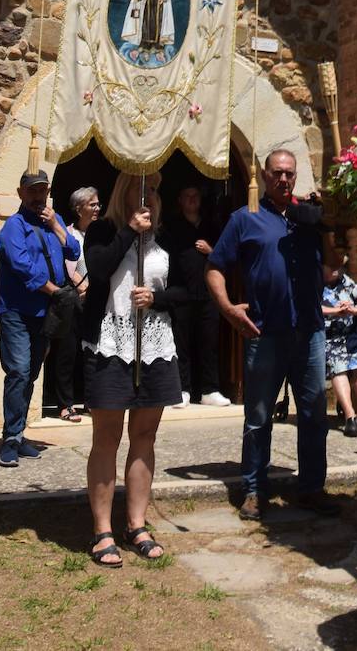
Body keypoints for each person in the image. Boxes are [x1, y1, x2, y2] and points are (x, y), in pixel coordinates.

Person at [206, 148, 339, 521]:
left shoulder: (307, 218)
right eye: (277, 173)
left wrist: (326, 224)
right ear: (265, 176)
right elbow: (215, 267)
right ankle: (254, 489)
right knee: (258, 416)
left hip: (309, 331)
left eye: (290, 174)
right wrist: (230, 310)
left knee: (313, 415)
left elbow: (333, 269)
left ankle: (312, 488)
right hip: (265, 333)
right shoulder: (244, 218)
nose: (284, 179)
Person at [81, 171, 186, 567]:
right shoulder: (103, 231)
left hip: (156, 346)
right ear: (124, 193)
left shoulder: (168, 237)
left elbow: (187, 290)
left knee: (145, 435)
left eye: (156, 191)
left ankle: (137, 523)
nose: (151, 198)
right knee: (106, 437)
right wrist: (128, 230)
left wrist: (157, 298)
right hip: (111, 344)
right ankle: (102, 529)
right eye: (143, 190)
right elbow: (100, 268)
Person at [0, 169, 80, 467]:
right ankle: (9, 438)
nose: (37, 196)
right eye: (31, 191)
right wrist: (56, 291)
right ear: (20, 193)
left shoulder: (49, 225)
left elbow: (74, 250)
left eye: (42, 191)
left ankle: (17, 435)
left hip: (45, 313)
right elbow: (24, 268)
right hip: (17, 311)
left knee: (30, 373)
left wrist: (57, 225)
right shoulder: (12, 228)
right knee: (18, 370)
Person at [164, 184, 230, 408]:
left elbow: (227, 255)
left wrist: (211, 251)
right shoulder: (170, 227)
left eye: (195, 196)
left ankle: (209, 390)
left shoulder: (212, 226)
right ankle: (182, 390)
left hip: (208, 294)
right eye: (187, 196)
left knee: (208, 343)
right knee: (181, 343)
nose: (192, 200)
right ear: (180, 200)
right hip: (181, 292)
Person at [48, 185, 100, 422]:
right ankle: (66, 404)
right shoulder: (68, 234)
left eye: (98, 204)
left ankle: (92, 401)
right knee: (67, 353)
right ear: (79, 209)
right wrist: (83, 287)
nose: (98, 208)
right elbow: (68, 265)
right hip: (74, 299)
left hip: (96, 301)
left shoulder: (101, 234)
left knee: (94, 353)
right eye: (93, 204)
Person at [322, 264, 357, 437]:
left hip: (351, 339)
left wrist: (355, 309)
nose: (335, 268)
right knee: (338, 364)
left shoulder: (346, 282)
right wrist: (337, 311)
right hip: (328, 340)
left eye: (338, 265)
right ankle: (350, 417)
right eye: (331, 266)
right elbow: (312, 308)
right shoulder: (315, 285)